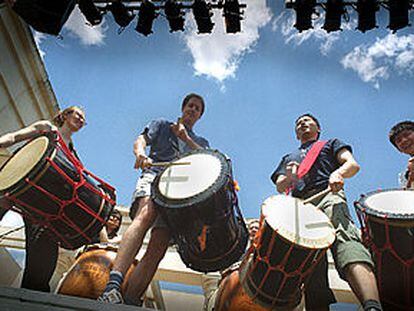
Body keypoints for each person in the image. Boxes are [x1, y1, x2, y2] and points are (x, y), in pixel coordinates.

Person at [99, 93, 210, 305]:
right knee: (145, 215)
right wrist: (140, 154)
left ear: (199, 116)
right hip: (154, 175)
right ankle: (112, 285)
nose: (193, 110)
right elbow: (141, 139)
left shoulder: (201, 141)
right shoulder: (161, 124)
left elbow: (206, 160)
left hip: (180, 191)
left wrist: (186, 138)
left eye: (197, 108)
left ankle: (130, 299)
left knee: (159, 245)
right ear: (183, 108)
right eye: (190, 105)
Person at [270, 114, 382, 311]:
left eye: (307, 120)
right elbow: (280, 186)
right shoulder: (288, 158)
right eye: (298, 123)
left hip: (328, 195)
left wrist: (338, 173)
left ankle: (372, 305)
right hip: (300, 206)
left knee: (344, 238)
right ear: (296, 134)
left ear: (318, 128)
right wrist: (290, 176)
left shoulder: (331, 144)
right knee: (307, 260)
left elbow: (352, 164)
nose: (302, 123)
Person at [0, 106, 86, 292]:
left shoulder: (74, 154)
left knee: (43, 259)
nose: (81, 120)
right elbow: (15, 137)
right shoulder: (47, 128)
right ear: (65, 115)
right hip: (15, 180)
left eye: (83, 119)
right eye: (78, 114)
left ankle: (30, 296)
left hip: (39, 202)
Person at [388, 120, 414, 189]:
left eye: (407, 135)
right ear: (399, 150)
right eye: (399, 140)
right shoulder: (403, 177)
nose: (404, 140)